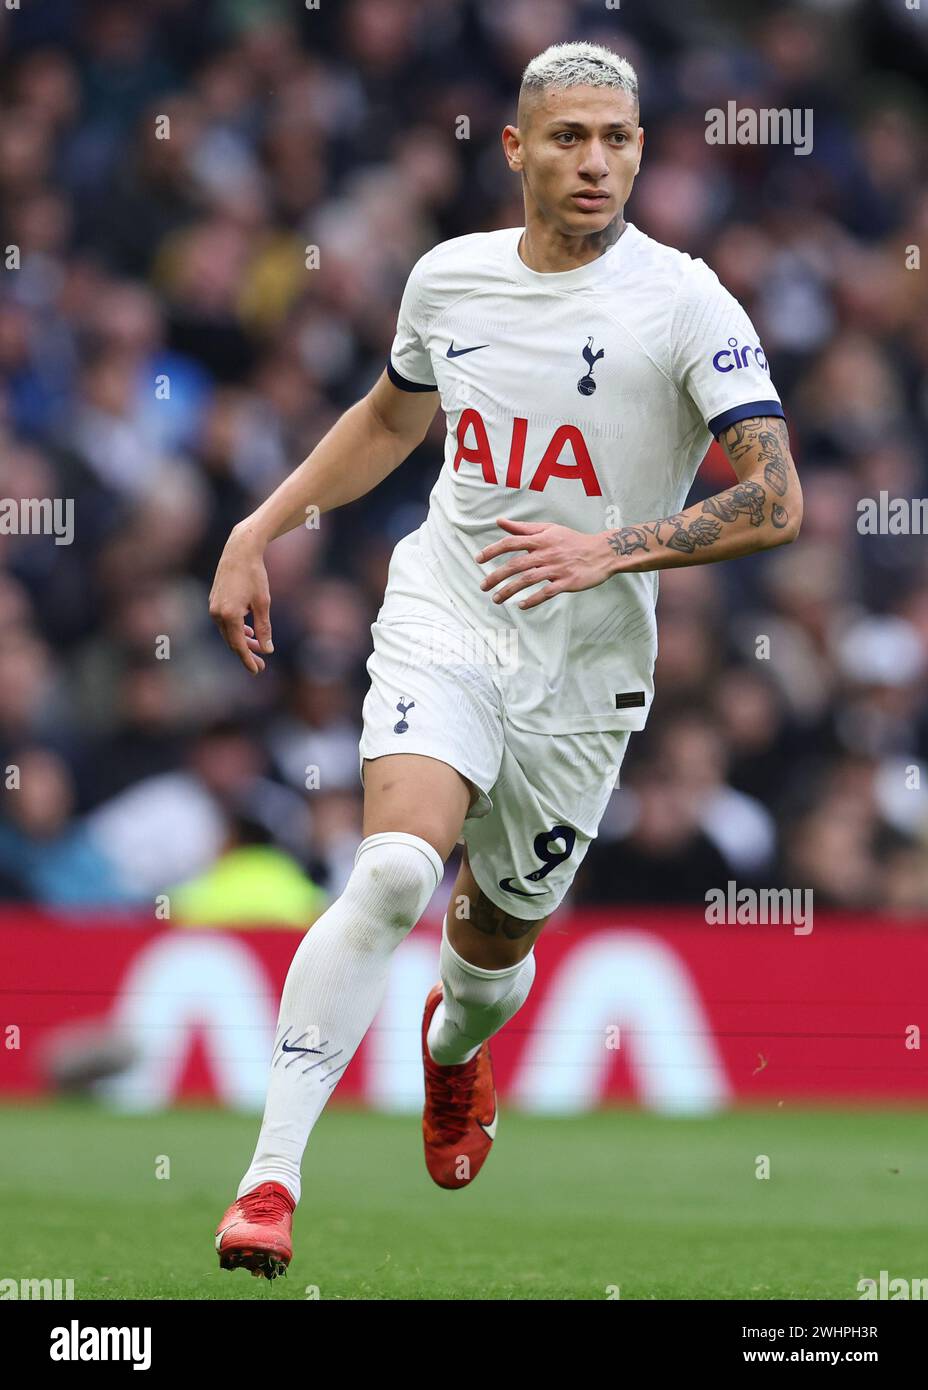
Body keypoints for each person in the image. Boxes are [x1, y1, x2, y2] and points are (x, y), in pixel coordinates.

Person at [208, 40, 802, 1279]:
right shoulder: (450, 280)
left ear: (641, 149)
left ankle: (448, 1049)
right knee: (386, 874)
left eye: (619, 139)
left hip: (586, 666)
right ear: (515, 148)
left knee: (489, 961)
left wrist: (612, 551)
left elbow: (776, 499)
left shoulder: (687, 300)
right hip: (451, 610)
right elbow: (390, 416)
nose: (595, 162)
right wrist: (262, 526)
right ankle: (270, 1180)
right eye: (570, 137)